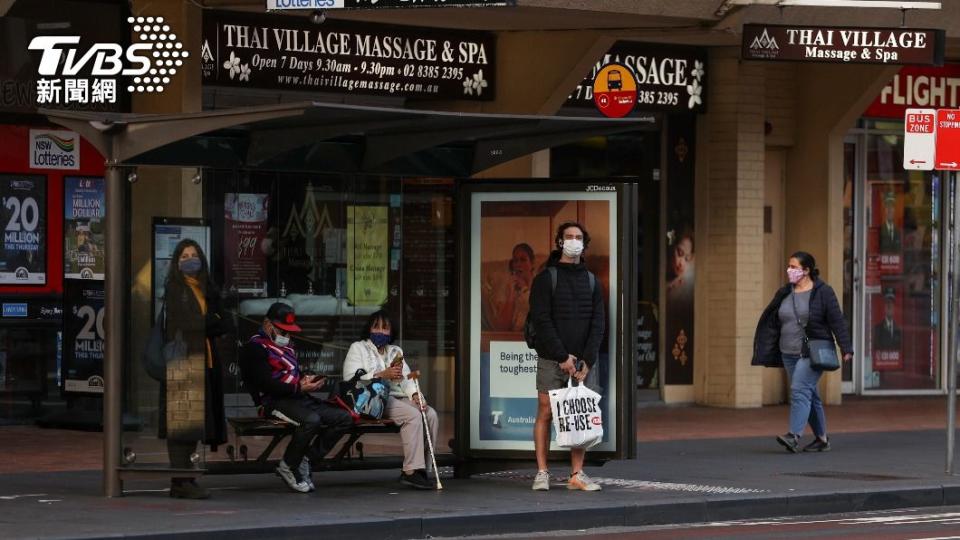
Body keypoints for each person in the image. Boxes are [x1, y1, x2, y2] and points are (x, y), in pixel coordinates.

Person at [238, 302, 353, 493]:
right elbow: (266, 385)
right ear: (267, 324)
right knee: (311, 420)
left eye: (288, 332)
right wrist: (299, 387)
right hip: (273, 402)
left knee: (343, 418)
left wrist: (307, 380)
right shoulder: (255, 347)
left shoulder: (288, 348)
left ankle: (306, 460)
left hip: (297, 398)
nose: (286, 336)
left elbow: (291, 377)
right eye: (281, 331)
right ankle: (288, 465)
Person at [528, 221, 605, 491]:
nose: (574, 241)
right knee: (546, 412)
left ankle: (577, 473)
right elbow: (542, 320)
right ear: (560, 242)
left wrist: (587, 360)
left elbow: (598, 324)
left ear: (585, 243)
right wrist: (563, 356)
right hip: (552, 359)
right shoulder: (545, 278)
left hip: (582, 363)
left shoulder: (593, 281)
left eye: (579, 237)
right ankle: (542, 472)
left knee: (579, 413)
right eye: (569, 236)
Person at [752, 251, 853, 453]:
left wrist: (846, 347)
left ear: (806, 270)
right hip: (788, 352)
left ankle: (794, 435)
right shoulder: (785, 292)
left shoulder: (823, 292)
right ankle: (822, 439)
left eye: (794, 267)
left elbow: (837, 320)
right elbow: (773, 320)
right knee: (810, 394)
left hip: (812, 352)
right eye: (789, 266)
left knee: (799, 389)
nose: (790, 270)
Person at [161, 239, 230, 499]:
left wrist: (207, 322)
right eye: (184, 255)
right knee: (182, 425)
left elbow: (226, 322)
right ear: (176, 263)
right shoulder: (175, 289)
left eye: (193, 254)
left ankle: (187, 477)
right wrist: (209, 322)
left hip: (206, 361)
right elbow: (188, 323)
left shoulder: (207, 289)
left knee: (196, 423)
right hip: (183, 360)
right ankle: (180, 480)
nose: (190, 259)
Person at [342, 310, 439, 490]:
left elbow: (406, 377)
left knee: (430, 414)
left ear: (391, 332)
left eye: (385, 328)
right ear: (369, 328)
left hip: (397, 396)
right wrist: (381, 375)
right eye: (376, 327)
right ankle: (411, 471)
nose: (380, 331)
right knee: (412, 415)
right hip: (373, 397)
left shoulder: (396, 351)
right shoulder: (358, 348)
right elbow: (351, 378)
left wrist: (416, 395)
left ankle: (423, 469)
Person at [483, 243, 536, 332]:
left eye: (523, 260)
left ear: (532, 263)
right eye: (515, 261)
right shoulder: (507, 287)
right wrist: (511, 294)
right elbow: (502, 328)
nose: (518, 264)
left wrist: (525, 289)